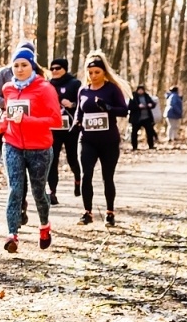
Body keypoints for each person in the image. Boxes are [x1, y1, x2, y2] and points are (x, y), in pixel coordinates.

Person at [0, 51, 63, 253]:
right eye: (16, 65)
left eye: (24, 65)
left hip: (39, 148)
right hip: (12, 144)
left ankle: (44, 226)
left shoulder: (45, 88)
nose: (20, 69)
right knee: (15, 190)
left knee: (38, 192)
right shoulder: (8, 88)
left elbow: (56, 121)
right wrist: (2, 124)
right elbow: (9, 114)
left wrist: (26, 121)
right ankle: (12, 235)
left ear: (32, 65)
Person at [75, 52, 129, 227]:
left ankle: (110, 212)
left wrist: (108, 107)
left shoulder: (112, 89)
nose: (93, 76)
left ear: (104, 72)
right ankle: (87, 212)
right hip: (87, 139)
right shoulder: (83, 90)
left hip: (108, 140)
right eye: (90, 73)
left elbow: (123, 110)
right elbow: (79, 111)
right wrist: (76, 121)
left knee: (108, 177)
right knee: (86, 175)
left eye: (97, 72)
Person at [46, 58, 82, 205]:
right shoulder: (47, 85)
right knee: (52, 160)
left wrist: (72, 104)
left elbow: (83, 103)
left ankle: (78, 179)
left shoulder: (75, 84)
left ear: (65, 69)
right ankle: (52, 192)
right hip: (53, 128)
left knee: (72, 158)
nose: (54, 71)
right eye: (52, 68)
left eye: (58, 68)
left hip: (71, 129)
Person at [128, 85, 158, 150]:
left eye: (142, 90)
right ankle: (134, 146)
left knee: (149, 132)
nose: (141, 91)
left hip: (146, 117)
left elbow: (153, 103)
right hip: (136, 118)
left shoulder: (146, 96)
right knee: (134, 133)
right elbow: (130, 107)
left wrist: (151, 105)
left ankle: (151, 145)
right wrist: (138, 107)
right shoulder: (133, 97)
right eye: (139, 90)